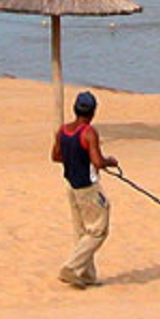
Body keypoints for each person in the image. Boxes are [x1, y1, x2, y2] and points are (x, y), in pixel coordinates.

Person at [53, 90, 120, 287]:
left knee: (82, 232)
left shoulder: (63, 130)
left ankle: (86, 276)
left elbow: (56, 156)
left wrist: (73, 157)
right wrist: (111, 161)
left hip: (71, 186)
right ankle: (71, 267)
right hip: (88, 188)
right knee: (98, 231)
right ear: (93, 113)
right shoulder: (88, 132)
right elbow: (98, 162)